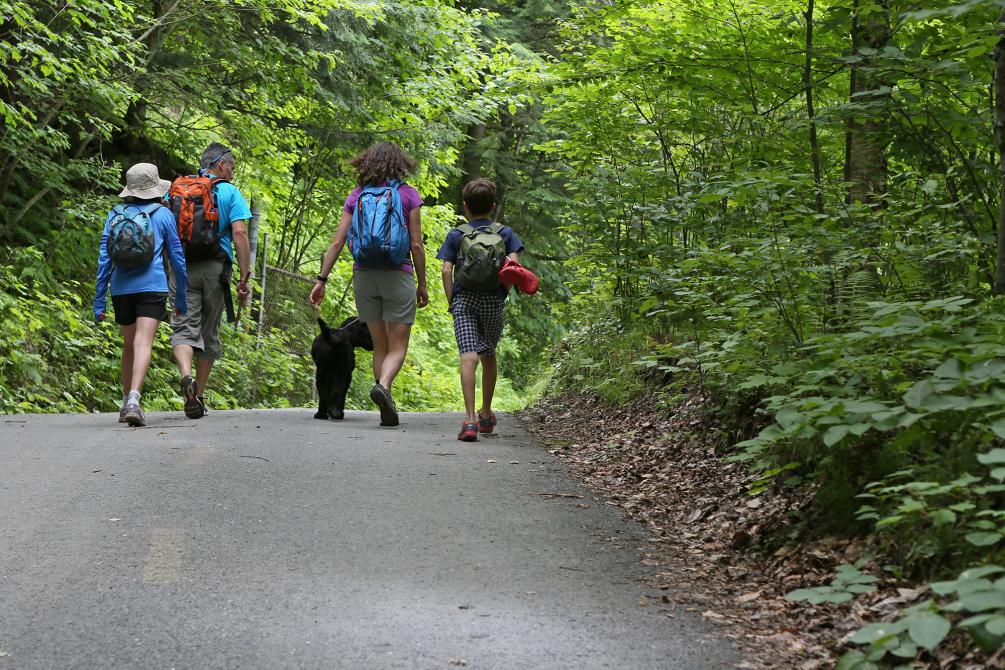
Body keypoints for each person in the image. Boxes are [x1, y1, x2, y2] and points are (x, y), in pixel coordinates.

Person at [309, 142, 429, 427]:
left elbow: (338, 241)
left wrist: (321, 280)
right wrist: (422, 284)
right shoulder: (408, 195)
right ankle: (384, 387)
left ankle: (383, 395)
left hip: (364, 275)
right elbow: (415, 243)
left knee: (380, 345)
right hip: (397, 274)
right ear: (400, 165)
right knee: (398, 346)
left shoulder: (357, 196)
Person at [94, 163, 188, 427]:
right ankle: (135, 398)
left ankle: (126, 401)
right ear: (156, 187)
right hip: (153, 286)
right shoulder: (163, 214)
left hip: (121, 288)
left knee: (129, 344)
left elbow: (104, 260)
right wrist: (180, 297)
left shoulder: (115, 214)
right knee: (143, 343)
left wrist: (99, 299)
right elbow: (178, 259)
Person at [437, 178, 524, 442]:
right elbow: (514, 269)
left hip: (464, 300)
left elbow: (445, 270)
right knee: (488, 354)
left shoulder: (457, 234)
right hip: (492, 300)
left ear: (465, 206)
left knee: (468, 357)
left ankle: (470, 421)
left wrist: (453, 301)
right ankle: (486, 413)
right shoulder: (505, 234)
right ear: (493, 206)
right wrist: (501, 293)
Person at [169, 143, 252, 419]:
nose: (233, 172)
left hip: (181, 268)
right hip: (216, 269)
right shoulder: (230, 192)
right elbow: (239, 234)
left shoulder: (180, 189)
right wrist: (243, 275)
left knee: (183, 327)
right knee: (208, 331)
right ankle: (200, 395)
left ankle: (186, 375)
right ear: (220, 165)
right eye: (232, 167)